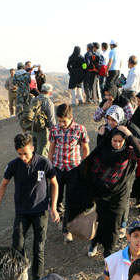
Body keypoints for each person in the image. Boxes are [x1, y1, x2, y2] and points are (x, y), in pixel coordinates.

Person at [0, 132, 59, 280]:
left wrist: (53, 207)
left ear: (33, 148)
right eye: (20, 154)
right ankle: (24, 266)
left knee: (38, 247)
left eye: (25, 154)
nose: (23, 157)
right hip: (22, 211)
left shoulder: (44, 163)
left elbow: (54, 184)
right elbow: (3, 186)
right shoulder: (13, 165)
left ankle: (37, 279)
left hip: (40, 211)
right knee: (17, 245)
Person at [85, 124, 140, 258]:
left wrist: (129, 135)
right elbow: (93, 172)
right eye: (115, 141)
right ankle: (94, 243)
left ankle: (108, 254)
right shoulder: (103, 151)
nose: (117, 144)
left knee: (113, 228)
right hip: (101, 194)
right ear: (110, 139)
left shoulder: (127, 152)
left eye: (120, 141)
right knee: (98, 221)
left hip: (117, 196)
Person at [47, 103, 90, 243]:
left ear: (71, 117)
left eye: (64, 121)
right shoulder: (54, 130)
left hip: (73, 169)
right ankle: (61, 218)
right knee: (56, 198)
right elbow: (51, 149)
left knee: (71, 200)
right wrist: (49, 167)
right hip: (58, 169)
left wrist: (84, 166)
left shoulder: (80, 129)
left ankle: (67, 229)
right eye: (59, 121)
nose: (62, 124)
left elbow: (85, 148)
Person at [29, 83, 57, 158]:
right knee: (42, 154)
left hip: (32, 129)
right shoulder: (49, 102)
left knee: (32, 153)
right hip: (42, 131)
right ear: (50, 93)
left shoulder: (33, 100)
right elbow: (52, 121)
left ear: (41, 90)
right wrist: (54, 134)